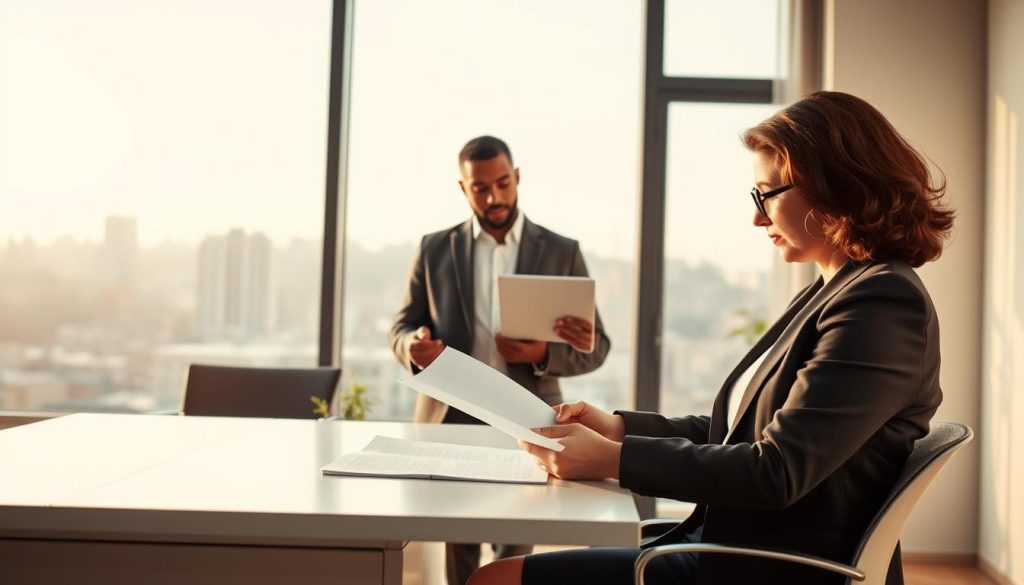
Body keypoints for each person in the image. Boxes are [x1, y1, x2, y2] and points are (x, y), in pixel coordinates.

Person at [468, 91, 955, 585]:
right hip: (735, 545)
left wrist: (613, 459)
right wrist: (617, 430)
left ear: (831, 187)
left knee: (495, 580)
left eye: (766, 194)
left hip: (765, 568)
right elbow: (741, 430)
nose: (758, 217)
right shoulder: (832, 291)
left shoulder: (882, 306)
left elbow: (776, 470)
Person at [389, 135, 612, 585]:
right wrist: (413, 347)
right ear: (463, 188)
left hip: (530, 416)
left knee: (516, 554)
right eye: (481, 188)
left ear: (517, 178)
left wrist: (542, 354)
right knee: (459, 547)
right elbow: (401, 328)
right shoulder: (434, 248)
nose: (494, 197)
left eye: (503, 184)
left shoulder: (561, 250)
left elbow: (597, 346)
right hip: (451, 420)